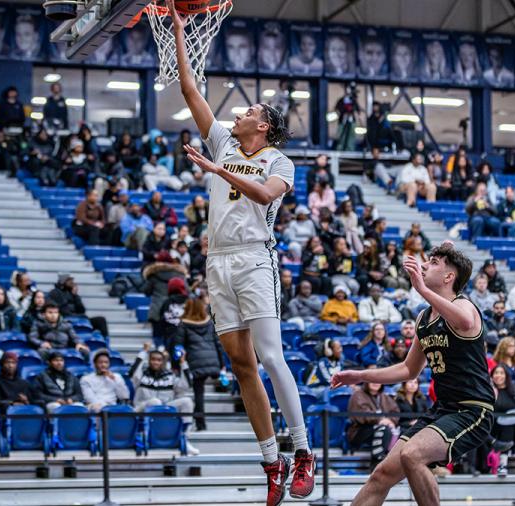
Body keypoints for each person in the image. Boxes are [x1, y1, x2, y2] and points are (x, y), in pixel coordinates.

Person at [168, 2, 314, 501]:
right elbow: (190, 90)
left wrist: (218, 171)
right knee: (240, 362)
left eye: (249, 111)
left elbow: (267, 196)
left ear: (265, 126)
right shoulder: (224, 143)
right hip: (218, 260)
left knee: (270, 355)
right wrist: (179, 32)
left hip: (255, 257)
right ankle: (271, 460)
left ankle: (303, 450)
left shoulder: (279, 161)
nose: (240, 113)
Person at [331, 242, 494, 506]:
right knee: (382, 474)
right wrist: (361, 375)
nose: (424, 265)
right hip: (442, 410)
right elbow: (408, 369)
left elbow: (464, 322)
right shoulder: (423, 318)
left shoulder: (465, 306)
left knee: (413, 454)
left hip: (472, 410)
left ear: (449, 277)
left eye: (433, 263)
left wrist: (421, 289)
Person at [130, 344, 199, 454]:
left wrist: (183, 362)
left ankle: (184, 439)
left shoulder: (169, 376)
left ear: (163, 362)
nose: (155, 362)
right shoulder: (142, 375)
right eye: (153, 359)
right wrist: (144, 351)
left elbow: (186, 385)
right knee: (155, 402)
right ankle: (150, 437)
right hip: (141, 408)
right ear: (149, 360)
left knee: (187, 401)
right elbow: (133, 373)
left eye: (159, 360)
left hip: (163, 408)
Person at [172, 297, 225, 431]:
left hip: (195, 362)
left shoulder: (183, 325)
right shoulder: (210, 323)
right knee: (199, 392)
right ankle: (199, 420)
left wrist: (176, 365)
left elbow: (178, 347)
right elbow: (218, 343)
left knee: (198, 392)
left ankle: (200, 423)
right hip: (212, 360)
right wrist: (222, 364)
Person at [348, 375, 401, 470]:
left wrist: (390, 420)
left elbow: (395, 412)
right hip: (360, 431)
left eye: (378, 381)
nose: (376, 383)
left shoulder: (384, 397)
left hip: (382, 429)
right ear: (367, 382)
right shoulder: (358, 395)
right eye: (373, 381)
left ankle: (388, 462)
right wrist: (380, 420)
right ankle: (376, 462)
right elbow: (362, 415)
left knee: (392, 429)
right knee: (383, 429)